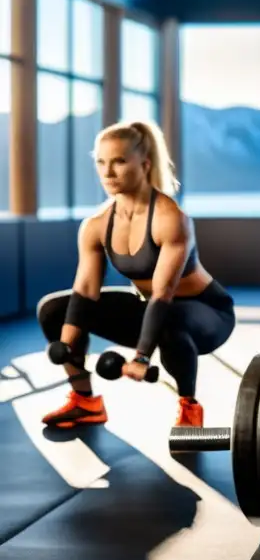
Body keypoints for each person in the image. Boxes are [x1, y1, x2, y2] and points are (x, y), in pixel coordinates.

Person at [37, 120, 235, 430]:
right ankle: (85, 401)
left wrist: (141, 358)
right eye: (101, 162)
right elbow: (85, 290)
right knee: (53, 311)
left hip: (207, 313)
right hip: (150, 310)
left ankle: (189, 407)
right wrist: (66, 342)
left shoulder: (170, 218)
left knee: (171, 320)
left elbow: (163, 294)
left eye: (118, 161)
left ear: (143, 164)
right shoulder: (97, 224)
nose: (108, 172)